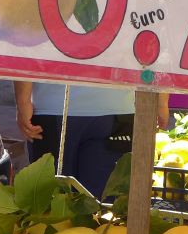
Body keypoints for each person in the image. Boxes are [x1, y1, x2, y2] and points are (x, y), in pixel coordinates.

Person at [14, 81, 167, 199]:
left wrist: (23, 101)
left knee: (50, 201)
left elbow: (24, 45)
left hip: (54, 106)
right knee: (104, 203)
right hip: (117, 108)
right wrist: (162, 101)